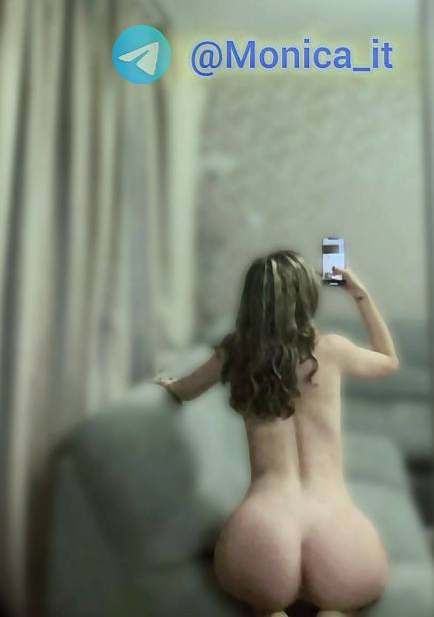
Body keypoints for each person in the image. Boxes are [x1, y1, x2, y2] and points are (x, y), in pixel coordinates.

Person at [154, 250, 399, 617]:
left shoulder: (234, 353)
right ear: (306, 297)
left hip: (262, 535)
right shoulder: (331, 350)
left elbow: (183, 391)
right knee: (337, 607)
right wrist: (359, 294)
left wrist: (166, 382)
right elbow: (388, 361)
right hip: (337, 533)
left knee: (267, 608)